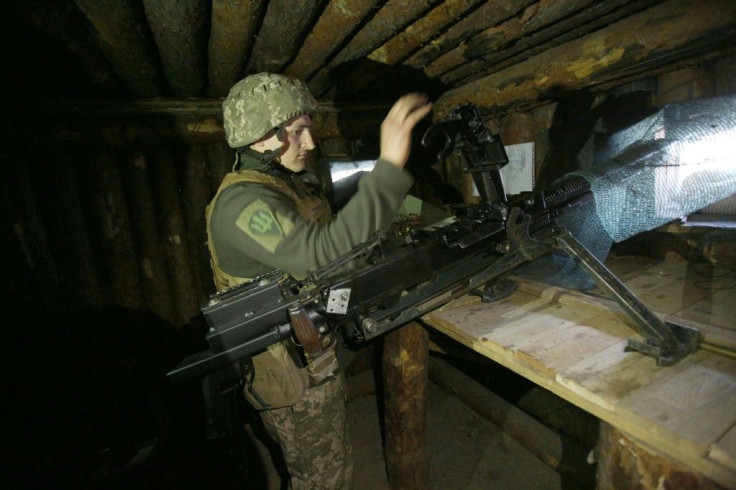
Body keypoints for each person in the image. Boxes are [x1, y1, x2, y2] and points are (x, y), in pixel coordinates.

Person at [206, 72, 432, 488]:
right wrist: (390, 165)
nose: (309, 143)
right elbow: (320, 254)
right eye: (296, 132)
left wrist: (431, 215)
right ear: (260, 138)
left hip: (314, 354)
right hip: (290, 377)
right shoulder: (240, 204)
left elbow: (354, 210)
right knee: (322, 481)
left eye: (308, 131)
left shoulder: (290, 184)